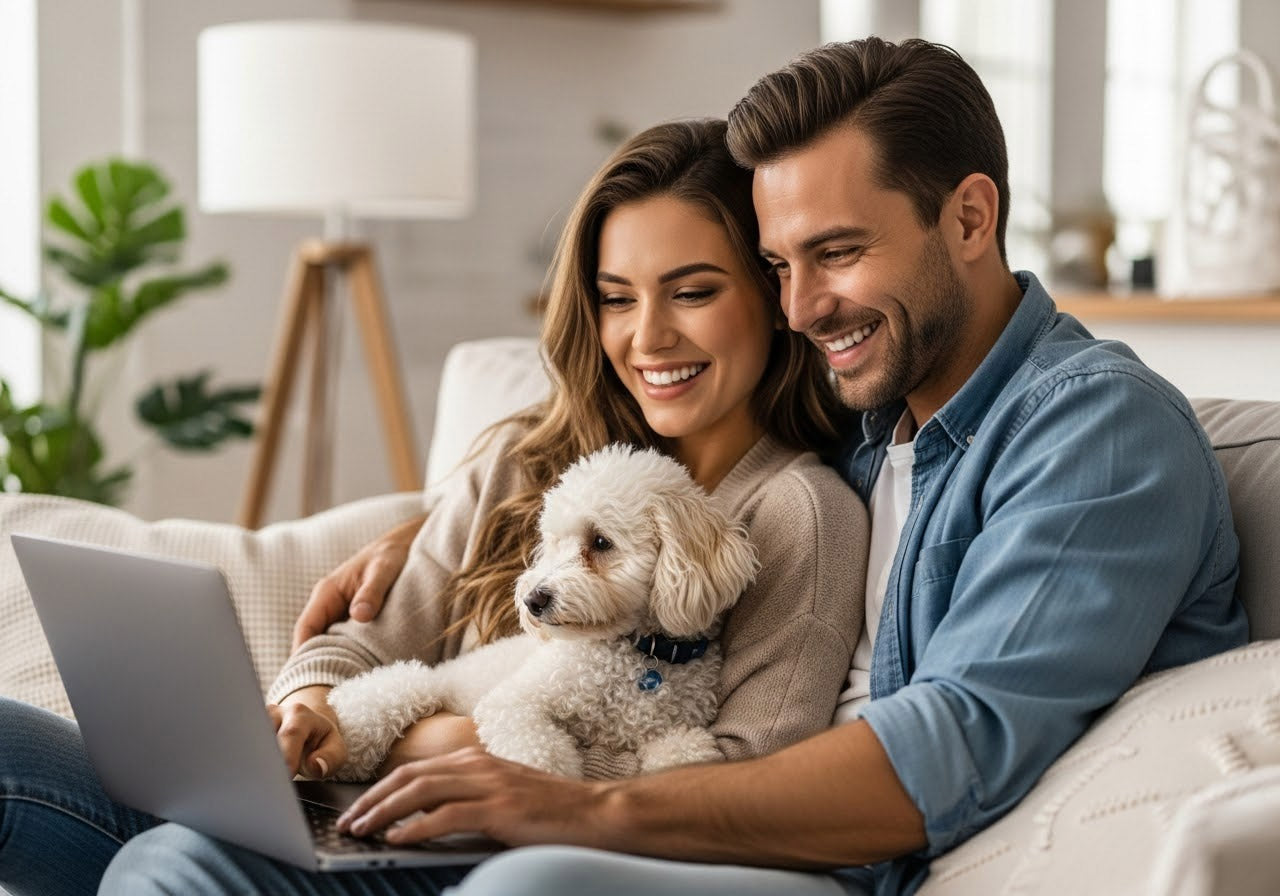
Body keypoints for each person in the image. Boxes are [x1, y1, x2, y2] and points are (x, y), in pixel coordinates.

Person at [109, 36, 1251, 896]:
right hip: (582, 811)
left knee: (514, 879)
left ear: (968, 217)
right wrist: (419, 529)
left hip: (798, 859)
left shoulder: (1091, 431)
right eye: (778, 264)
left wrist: (576, 801)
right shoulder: (869, 415)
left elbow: (944, 748)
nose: (801, 307)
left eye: (836, 254)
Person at [0, 118, 868, 896]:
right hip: (335, 801)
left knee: (168, 864)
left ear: (770, 292)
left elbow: (749, 782)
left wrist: (454, 745)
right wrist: (308, 706)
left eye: (692, 291)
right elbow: (367, 641)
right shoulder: (528, 457)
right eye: (616, 298)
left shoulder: (798, 512)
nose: (647, 337)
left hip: (477, 851)